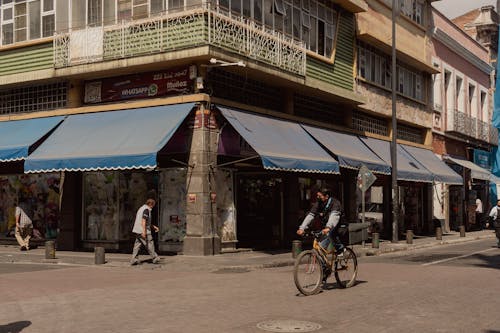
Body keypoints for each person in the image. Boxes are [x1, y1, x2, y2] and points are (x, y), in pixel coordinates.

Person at [296, 188, 345, 254]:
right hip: (327, 226)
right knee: (319, 244)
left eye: (320, 196)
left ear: (326, 196)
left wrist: (328, 227)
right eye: (317, 195)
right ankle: (323, 262)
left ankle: (340, 249)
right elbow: (311, 215)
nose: (317, 197)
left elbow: (334, 216)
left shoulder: (335, 203)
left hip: (339, 225)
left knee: (327, 239)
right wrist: (302, 228)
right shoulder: (319, 203)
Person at [130, 198, 161, 265]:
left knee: (137, 245)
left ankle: (134, 259)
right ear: (151, 204)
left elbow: (146, 222)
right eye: (153, 205)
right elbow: (143, 221)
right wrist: (144, 232)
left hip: (137, 230)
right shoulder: (146, 210)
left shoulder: (141, 208)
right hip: (143, 230)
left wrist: (153, 227)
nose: (153, 207)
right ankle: (155, 257)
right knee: (149, 244)